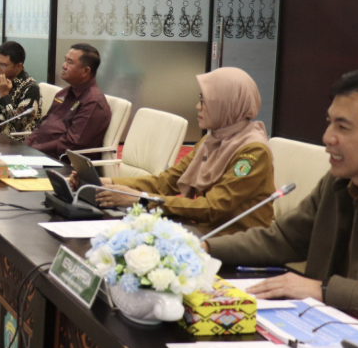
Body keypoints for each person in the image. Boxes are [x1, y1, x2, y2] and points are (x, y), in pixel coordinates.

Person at [205, 68, 358, 332]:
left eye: (342, 127)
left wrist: (324, 290)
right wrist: (205, 248)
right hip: (316, 329)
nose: (327, 137)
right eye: (329, 122)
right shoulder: (340, 182)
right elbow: (284, 239)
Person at [88, 67, 275, 236]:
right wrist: (106, 182)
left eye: (205, 101)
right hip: (206, 230)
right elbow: (166, 182)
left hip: (236, 238)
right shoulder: (212, 140)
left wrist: (141, 200)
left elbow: (212, 207)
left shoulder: (253, 151)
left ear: (228, 105)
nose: (198, 107)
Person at [25, 44, 112, 159]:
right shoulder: (63, 93)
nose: (64, 66)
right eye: (65, 60)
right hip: (38, 153)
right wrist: (24, 147)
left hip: (61, 161)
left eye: (70, 62)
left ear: (86, 71)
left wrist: (33, 150)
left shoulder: (93, 102)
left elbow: (71, 144)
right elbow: (42, 126)